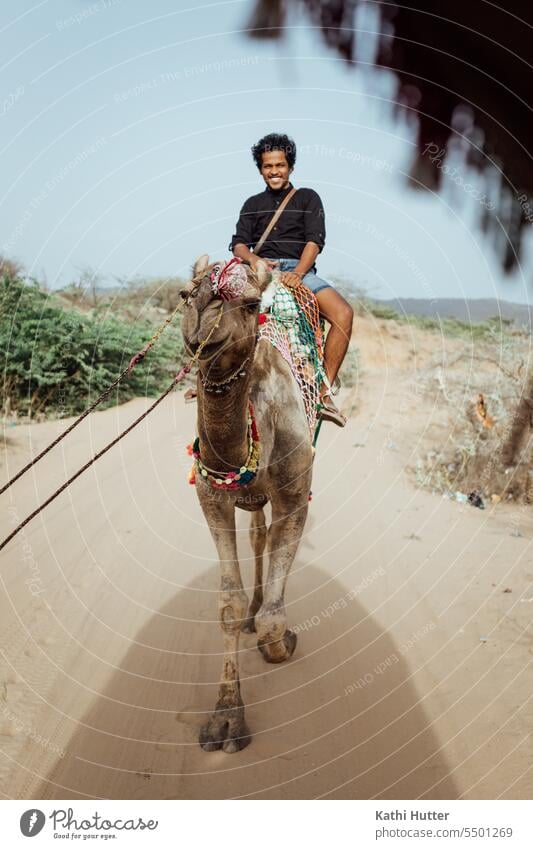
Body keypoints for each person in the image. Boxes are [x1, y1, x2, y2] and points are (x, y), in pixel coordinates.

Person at [230, 132, 353, 426]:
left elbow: (315, 241)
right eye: (268, 166)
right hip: (258, 270)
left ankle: (324, 392)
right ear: (261, 169)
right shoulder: (251, 203)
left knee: (343, 313)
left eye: (280, 165)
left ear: (291, 167)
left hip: (299, 269)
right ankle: (210, 379)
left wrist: (298, 274)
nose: (274, 171)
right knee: (215, 307)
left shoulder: (308, 198)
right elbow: (238, 245)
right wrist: (255, 260)